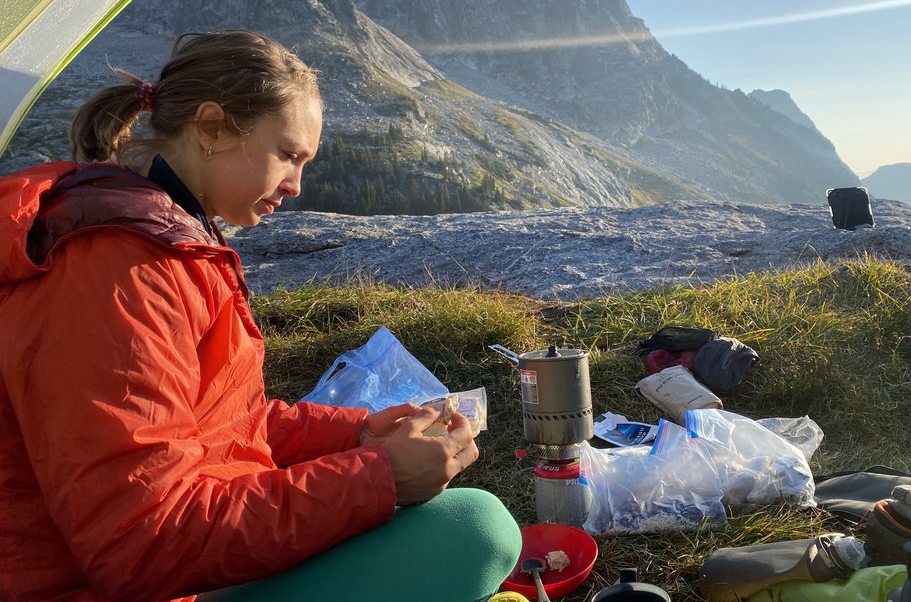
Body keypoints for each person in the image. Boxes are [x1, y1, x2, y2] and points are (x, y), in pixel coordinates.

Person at [0, 30, 522, 601]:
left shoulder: (167, 240)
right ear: (212, 128)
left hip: (178, 561)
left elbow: (219, 423)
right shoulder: (117, 273)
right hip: (117, 584)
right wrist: (380, 477)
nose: (297, 185)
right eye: (289, 155)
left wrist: (361, 432)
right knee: (474, 530)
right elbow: (143, 542)